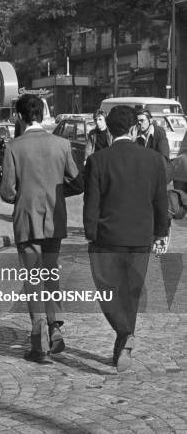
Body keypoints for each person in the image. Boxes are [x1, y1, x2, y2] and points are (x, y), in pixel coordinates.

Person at [84, 105, 168, 372]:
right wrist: (162, 233)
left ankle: (124, 334)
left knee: (108, 292)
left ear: (108, 129)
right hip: (141, 237)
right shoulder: (153, 160)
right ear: (134, 129)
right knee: (130, 293)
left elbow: (91, 203)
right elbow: (160, 201)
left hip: (106, 239)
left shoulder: (97, 160)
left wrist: (90, 233)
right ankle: (124, 343)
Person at [0, 94, 81, 363]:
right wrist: (56, 193)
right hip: (54, 217)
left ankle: (39, 336)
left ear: (19, 116)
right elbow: (77, 182)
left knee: (33, 277)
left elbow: (7, 190)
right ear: (44, 114)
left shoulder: (13, 147)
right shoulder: (62, 143)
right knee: (51, 272)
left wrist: (22, 195)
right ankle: (55, 326)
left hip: (27, 217)